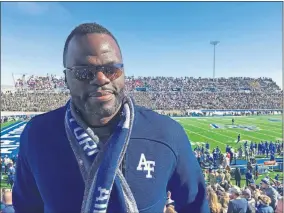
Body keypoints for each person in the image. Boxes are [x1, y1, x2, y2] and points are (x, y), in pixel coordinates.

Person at [13, 23, 209, 213]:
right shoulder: (38, 135)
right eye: (84, 72)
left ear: (123, 73)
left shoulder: (166, 133)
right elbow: (27, 208)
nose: (101, 79)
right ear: (65, 79)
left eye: (111, 69)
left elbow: (195, 206)